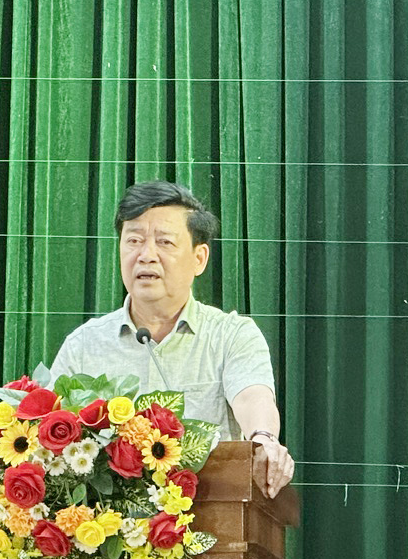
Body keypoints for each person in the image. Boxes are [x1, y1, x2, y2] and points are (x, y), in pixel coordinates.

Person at [50, 180, 295, 498]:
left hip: (210, 515)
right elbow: (49, 429)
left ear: (199, 259)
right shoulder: (84, 345)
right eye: (134, 241)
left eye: (164, 242)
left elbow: (252, 397)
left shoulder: (232, 335)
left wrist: (263, 439)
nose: (146, 255)